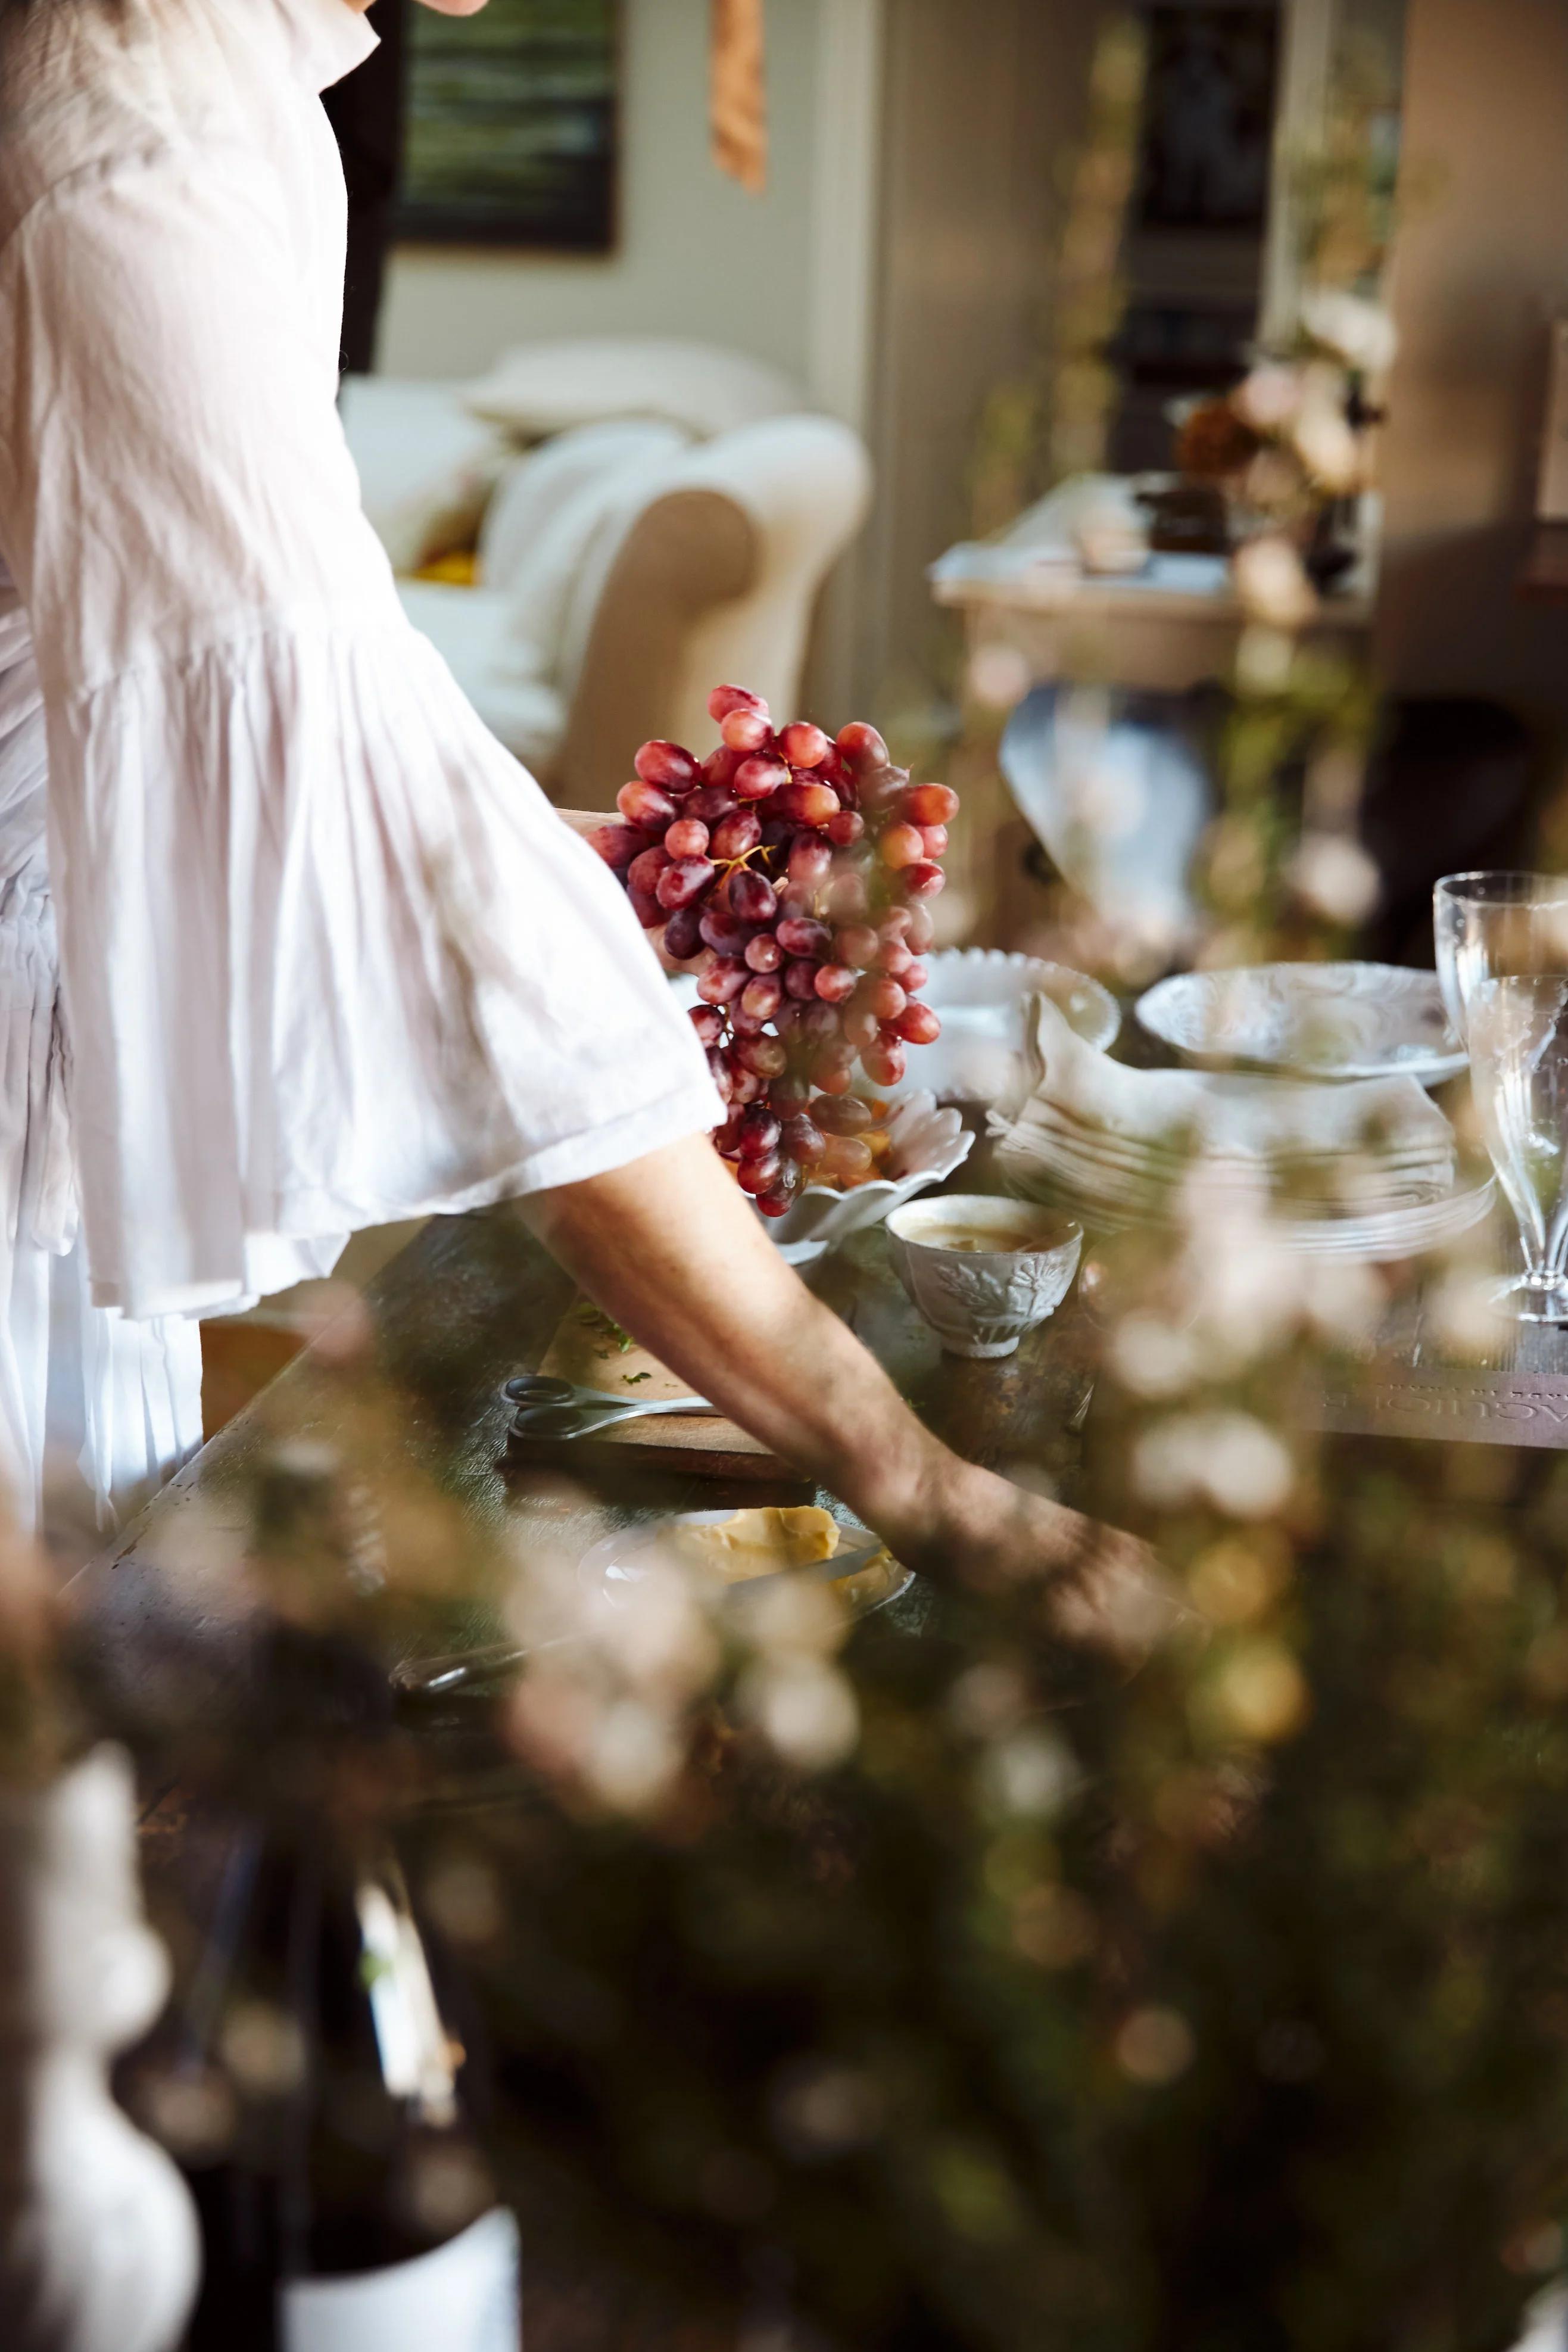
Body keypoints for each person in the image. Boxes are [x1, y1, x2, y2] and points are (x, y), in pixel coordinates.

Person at [0, 0, 1161, 1634]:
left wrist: (720, 857)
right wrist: (923, 1484)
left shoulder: (229, 94)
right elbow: (416, 876)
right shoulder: (130, 161)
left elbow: (352, 805)